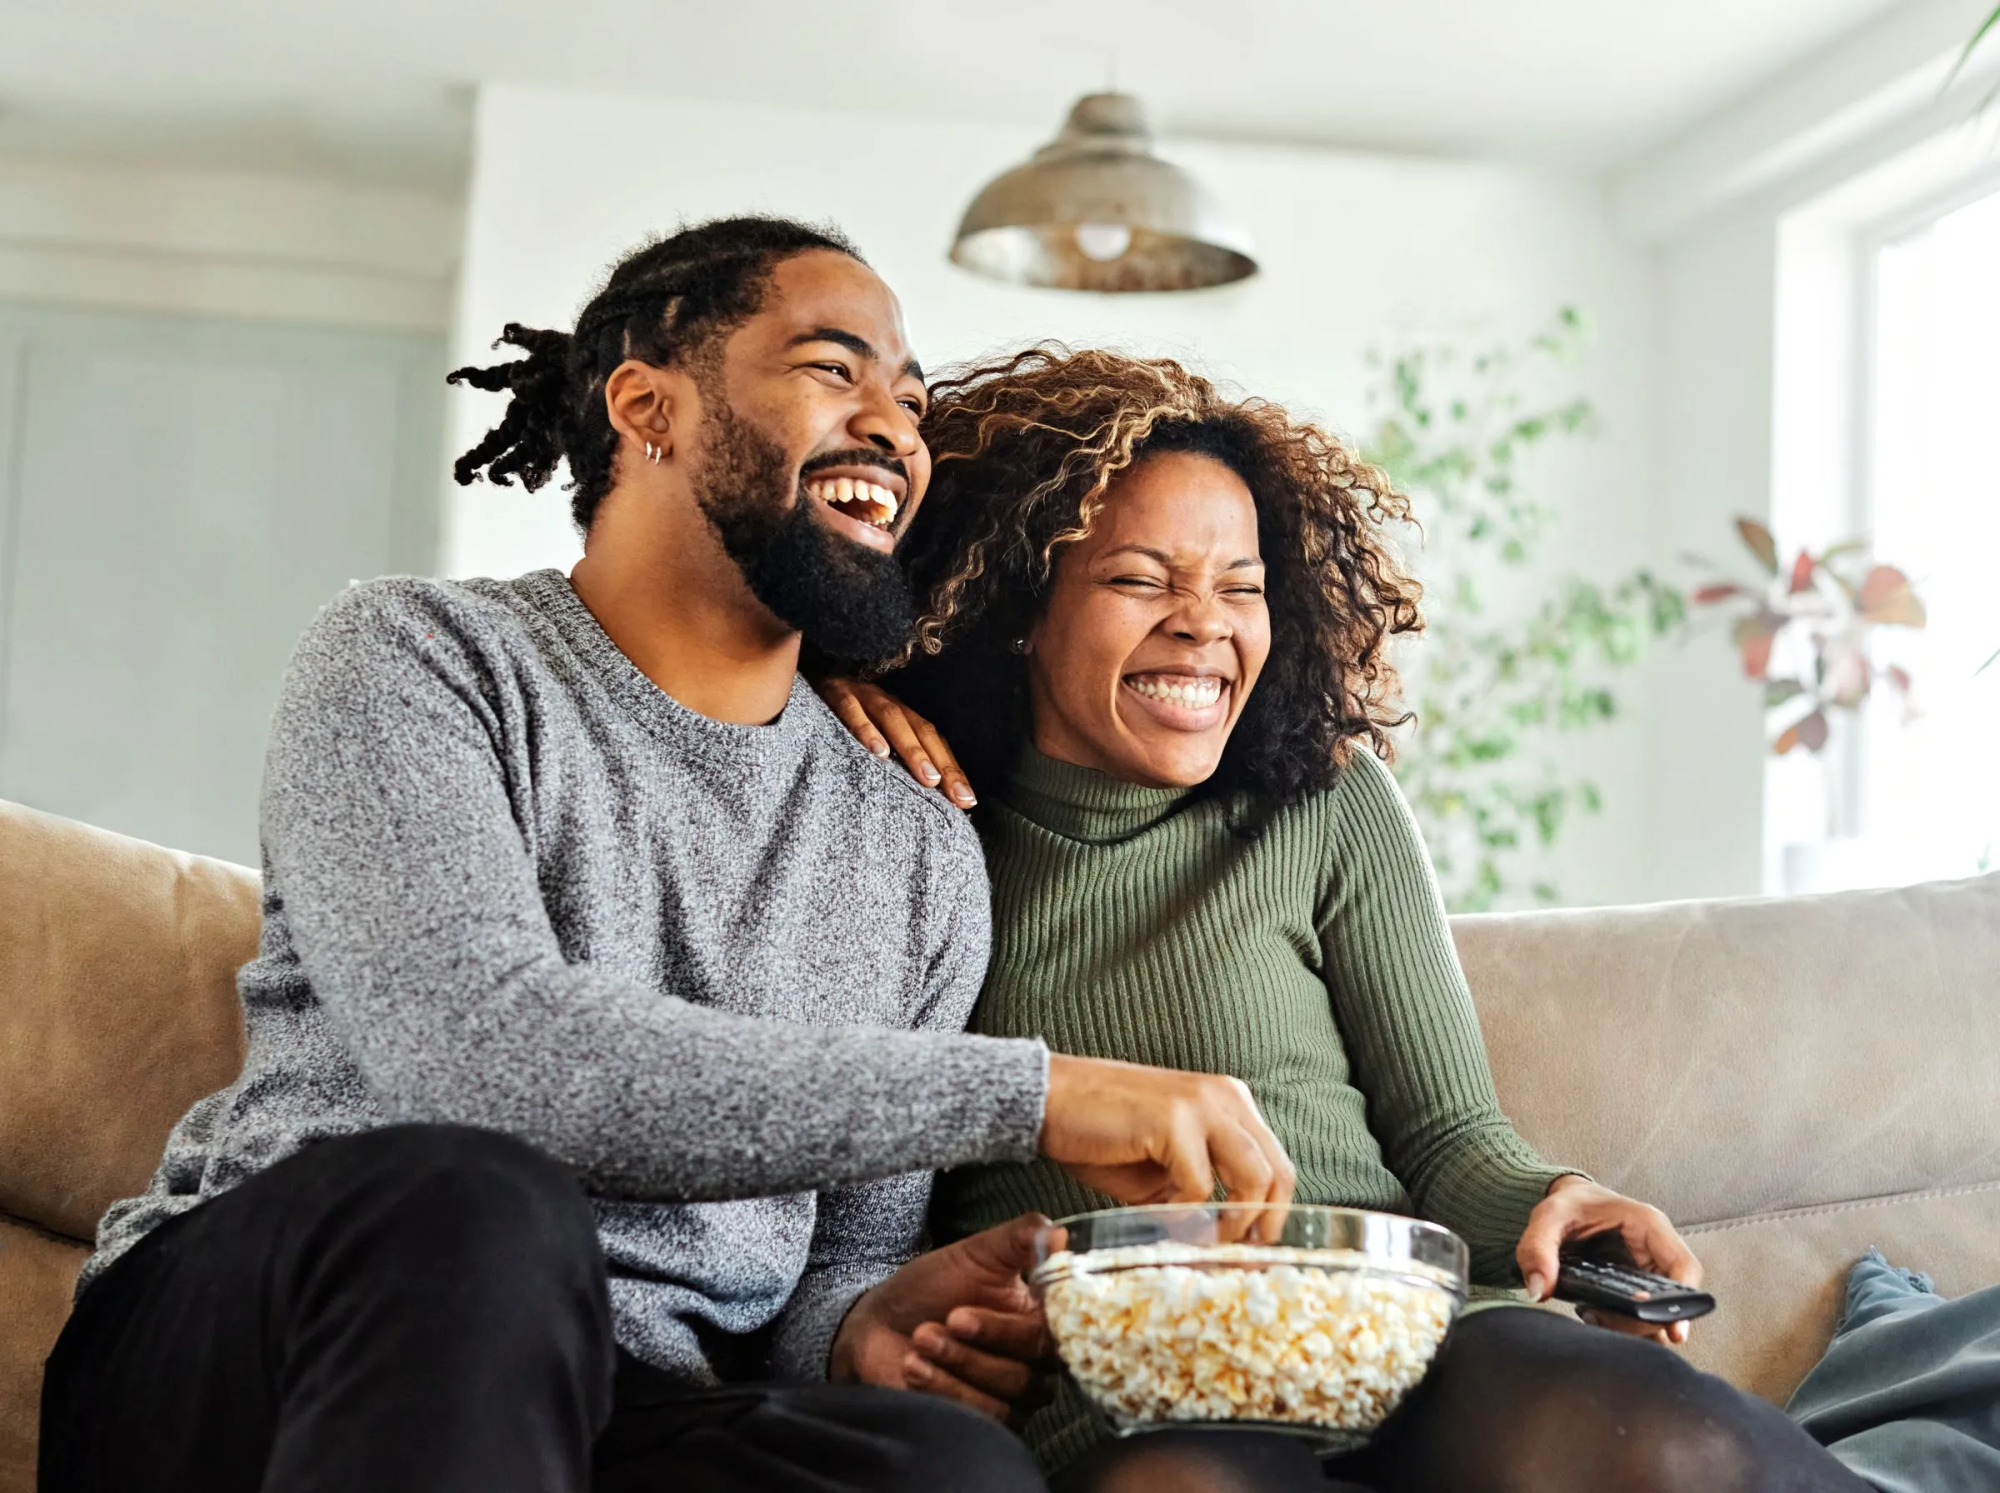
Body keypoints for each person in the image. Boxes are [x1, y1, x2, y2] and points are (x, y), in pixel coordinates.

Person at [36, 221, 1297, 1493]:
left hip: (625, 1406)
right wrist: (1036, 1093)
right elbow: (482, 1056)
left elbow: (828, 1266)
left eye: (909, 399)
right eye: (832, 368)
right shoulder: (421, 658)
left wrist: (864, 1325)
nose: (895, 428)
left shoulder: (915, 841)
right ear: (649, 406)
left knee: (944, 1468)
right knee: (486, 1207)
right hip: (277, 1340)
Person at [819, 345, 1873, 1492]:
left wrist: (1549, 1203)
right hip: (1129, 1388)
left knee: (1664, 1439)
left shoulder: (1322, 797)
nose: (1200, 624)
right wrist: (823, 698)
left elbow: (1445, 1137)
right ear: (1019, 607)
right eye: (1137, 578)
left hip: (1402, 1330)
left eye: (1239, 584)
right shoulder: (915, 833)